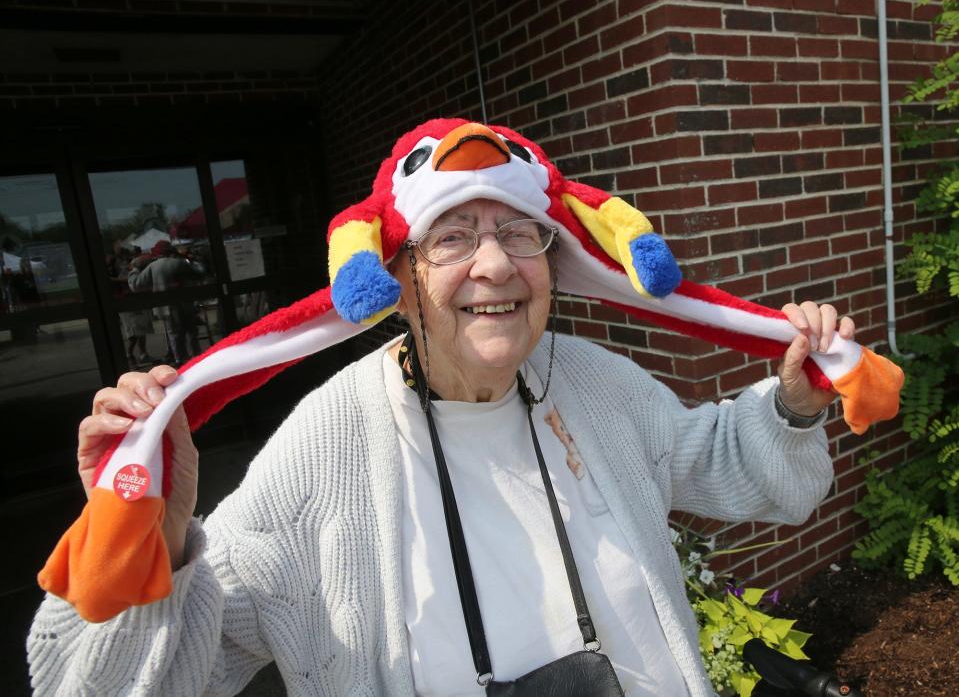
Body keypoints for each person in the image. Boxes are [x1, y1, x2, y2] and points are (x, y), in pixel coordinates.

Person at [28, 122, 856, 696]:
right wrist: (160, 538)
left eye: (519, 232)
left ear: (553, 262)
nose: (494, 264)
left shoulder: (592, 381)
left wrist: (788, 403)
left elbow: (710, 459)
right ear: (400, 277)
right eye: (452, 236)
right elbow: (130, 680)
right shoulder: (325, 447)